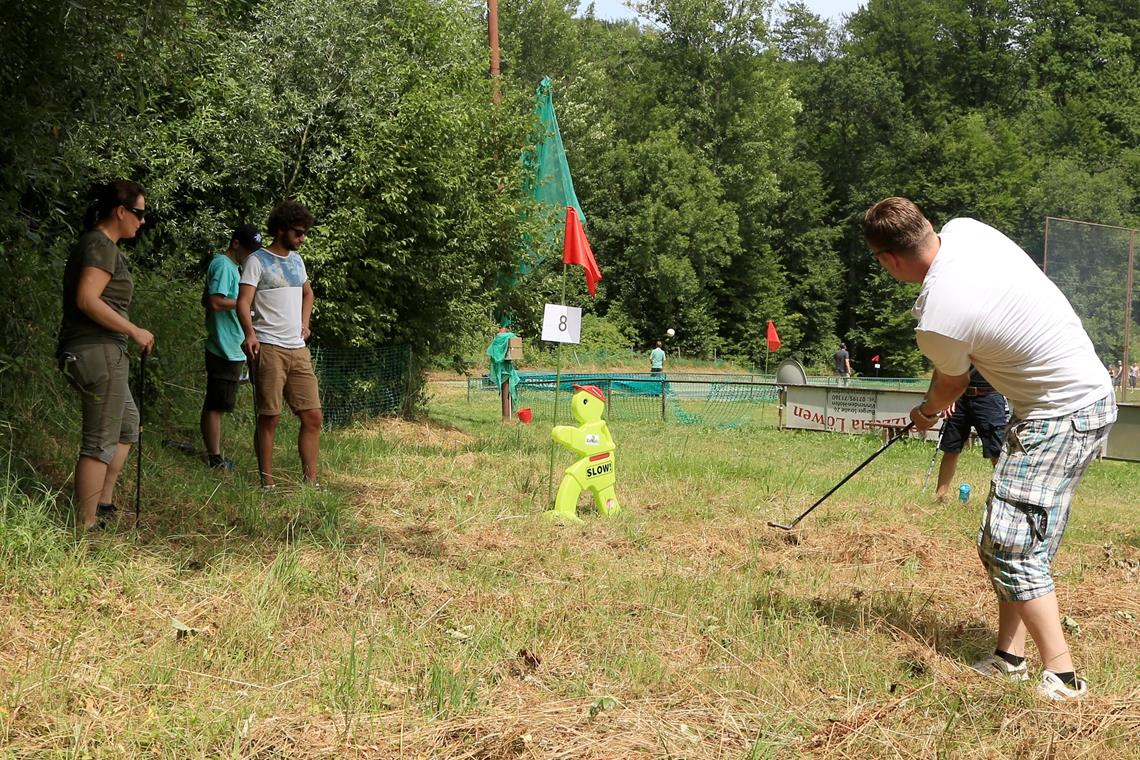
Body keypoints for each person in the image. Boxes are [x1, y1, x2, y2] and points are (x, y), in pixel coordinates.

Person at [864, 197, 1115, 702]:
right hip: (1080, 399)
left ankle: (1063, 678)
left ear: (888, 259)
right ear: (928, 226)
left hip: (1059, 414)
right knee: (1020, 537)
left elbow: (949, 385)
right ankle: (1009, 657)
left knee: (1009, 542)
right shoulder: (968, 230)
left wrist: (924, 414)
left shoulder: (937, 316)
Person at [56, 180, 155, 530]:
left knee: (127, 425)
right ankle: (85, 526)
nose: (141, 222)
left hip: (102, 349)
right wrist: (134, 330)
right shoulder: (100, 245)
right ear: (121, 211)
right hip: (96, 350)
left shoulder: (101, 246)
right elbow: (87, 299)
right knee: (99, 440)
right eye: (139, 214)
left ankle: (103, 502)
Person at [237, 200, 322, 488]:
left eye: (304, 232)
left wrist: (304, 323)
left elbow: (308, 294)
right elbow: (243, 302)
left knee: (312, 415)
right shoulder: (256, 261)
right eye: (299, 232)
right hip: (269, 347)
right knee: (269, 417)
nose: (302, 238)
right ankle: (268, 484)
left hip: (297, 349)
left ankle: (311, 483)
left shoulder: (297, 261)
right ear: (282, 229)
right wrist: (250, 334)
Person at [200, 224, 262, 470]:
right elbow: (215, 302)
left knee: (218, 403)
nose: (250, 255)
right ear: (235, 243)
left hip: (230, 345)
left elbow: (207, 298)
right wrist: (244, 304)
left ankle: (215, 454)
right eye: (248, 250)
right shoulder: (224, 266)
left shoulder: (230, 267)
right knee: (216, 405)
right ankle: (215, 459)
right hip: (224, 347)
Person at [934, 367, 1008, 503]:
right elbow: (947, 365)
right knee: (950, 448)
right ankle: (940, 498)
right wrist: (948, 396)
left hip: (990, 396)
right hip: (958, 396)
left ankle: (1004, 499)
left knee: (996, 452)